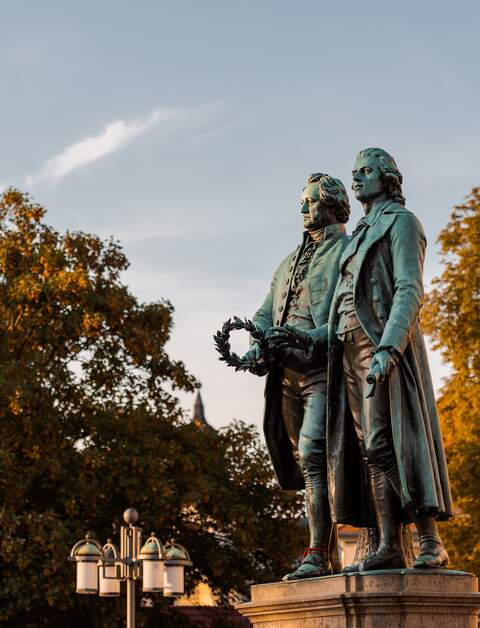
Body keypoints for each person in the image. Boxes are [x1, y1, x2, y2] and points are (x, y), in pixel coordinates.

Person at [326, 147, 453, 571]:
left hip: (380, 345)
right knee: (369, 448)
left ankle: (429, 538)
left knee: (390, 441)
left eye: (365, 171)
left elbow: (409, 289)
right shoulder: (358, 234)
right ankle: (389, 545)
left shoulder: (402, 223)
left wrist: (389, 347)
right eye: (354, 172)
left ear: (389, 177)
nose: (356, 178)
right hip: (346, 347)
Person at [245, 172, 350, 579]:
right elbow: (263, 312)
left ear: (333, 204)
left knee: (312, 455)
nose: (302, 208)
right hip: (285, 376)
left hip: (324, 372)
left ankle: (317, 553)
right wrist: (257, 343)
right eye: (302, 201)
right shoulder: (287, 262)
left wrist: (308, 338)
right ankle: (327, 551)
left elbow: (349, 317)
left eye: (309, 201)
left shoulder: (348, 252)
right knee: (307, 467)